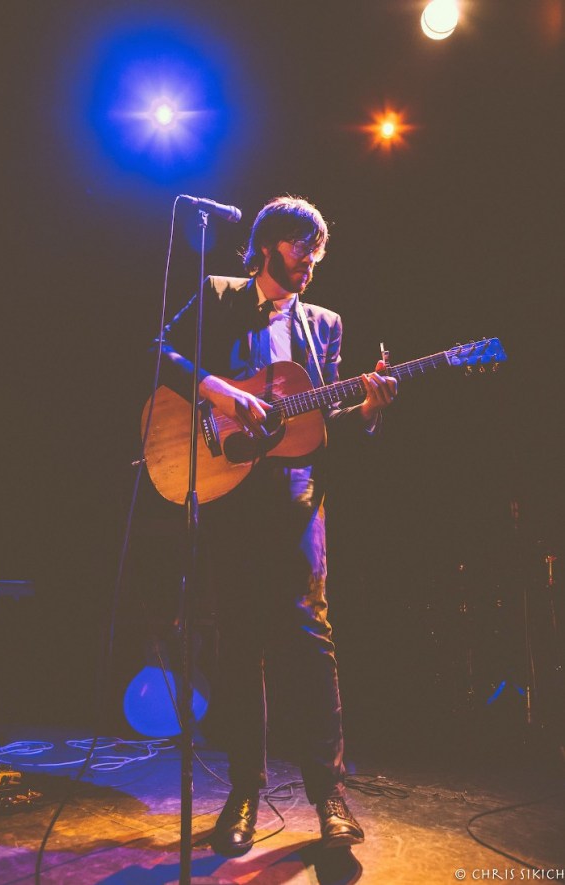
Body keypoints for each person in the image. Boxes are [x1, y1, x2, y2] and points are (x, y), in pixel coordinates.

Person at [158, 196, 398, 856]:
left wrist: (370, 410)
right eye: (303, 248)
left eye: (319, 252)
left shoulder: (325, 324)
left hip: (297, 497)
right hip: (229, 492)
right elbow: (160, 354)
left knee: (309, 640)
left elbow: (314, 422)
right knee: (239, 643)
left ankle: (330, 798)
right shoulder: (221, 294)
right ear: (270, 243)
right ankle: (243, 792)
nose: (312, 261)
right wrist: (217, 390)